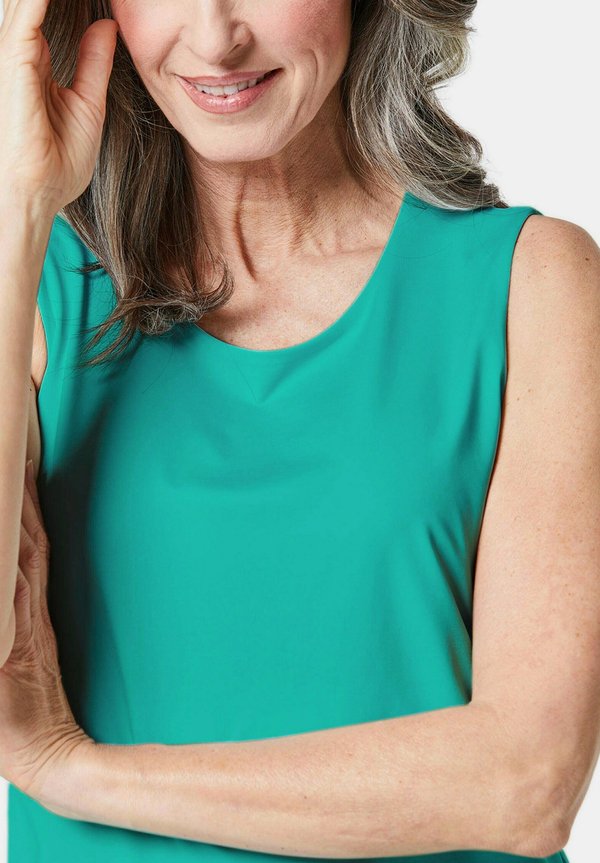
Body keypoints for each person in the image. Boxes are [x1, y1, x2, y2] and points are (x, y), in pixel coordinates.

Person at [1, 1, 599, 862]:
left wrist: (74, 773)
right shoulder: (35, 287)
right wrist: (19, 206)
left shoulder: (528, 286)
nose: (215, 39)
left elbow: (527, 786)